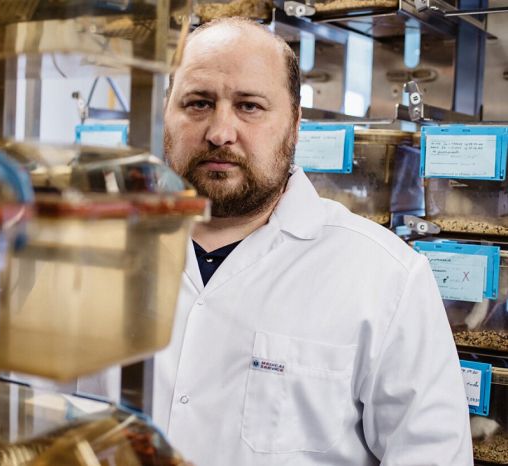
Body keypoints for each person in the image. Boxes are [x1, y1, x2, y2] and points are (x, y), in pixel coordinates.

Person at [153, 17, 473, 465]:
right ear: (166, 113)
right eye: (198, 103)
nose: (220, 132)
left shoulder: (384, 276)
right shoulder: (97, 250)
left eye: (249, 106)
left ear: (295, 123)